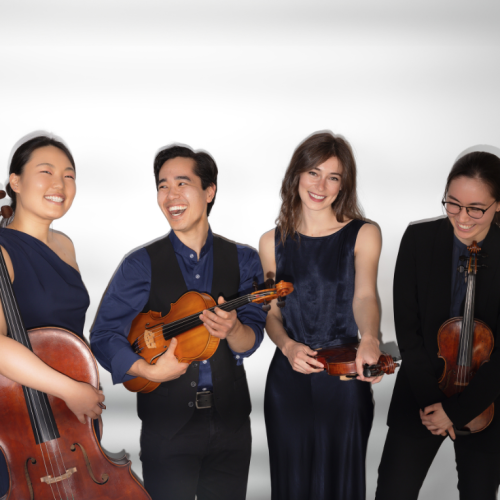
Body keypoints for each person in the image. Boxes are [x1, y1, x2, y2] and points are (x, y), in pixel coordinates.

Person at [90, 144, 267, 500]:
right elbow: (104, 333)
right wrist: (148, 370)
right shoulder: (140, 264)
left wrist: (234, 330)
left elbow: (251, 340)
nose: (170, 195)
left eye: (182, 183)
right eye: (162, 185)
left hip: (231, 424)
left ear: (209, 191)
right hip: (166, 429)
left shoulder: (245, 259)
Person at [259, 131, 383, 500]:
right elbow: (271, 313)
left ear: (344, 186)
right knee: (291, 483)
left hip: (344, 375)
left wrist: (372, 339)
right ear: (296, 175)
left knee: (341, 482)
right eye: (313, 172)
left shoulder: (364, 233)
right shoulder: (271, 241)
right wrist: (287, 347)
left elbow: (364, 296)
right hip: (288, 378)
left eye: (333, 177)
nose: (321, 185)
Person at [375, 151, 500, 499]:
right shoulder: (419, 241)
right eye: (453, 203)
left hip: (486, 404)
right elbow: (409, 335)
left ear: (498, 206)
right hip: (421, 394)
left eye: (476, 208)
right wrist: (436, 408)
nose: (462, 217)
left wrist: (457, 411)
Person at [0, 136, 105, 497]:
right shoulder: (3, 250)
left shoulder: (64, 245)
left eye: (69, 175)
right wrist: (70, 389)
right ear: (15, 182)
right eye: (45, 172)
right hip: (14, 419)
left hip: (68, 424)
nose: (59, 184)